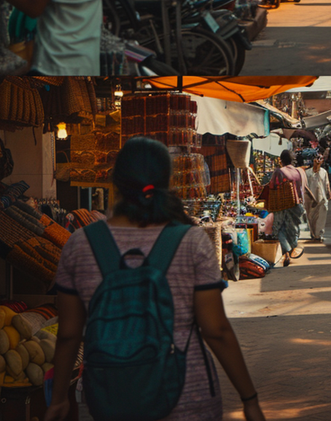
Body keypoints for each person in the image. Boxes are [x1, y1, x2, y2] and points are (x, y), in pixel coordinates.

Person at [45, 137, 265, 421]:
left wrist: (59, 397)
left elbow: (69, 334)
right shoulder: (191, 241)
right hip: (187, 393)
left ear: (115, 182)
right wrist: (249, 398)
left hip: (108, 395)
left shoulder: (80, 245)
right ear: (167, 182)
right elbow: (216, 330)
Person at [269, 150, 305, 267]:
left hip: (281, 204)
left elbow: (271, 186)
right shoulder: (298, 171)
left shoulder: (279, 172)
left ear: (281, 160)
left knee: (280, 229)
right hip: (296, 204)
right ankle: (292, 248)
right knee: (293, 227)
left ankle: (287, 251)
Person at [305, 154, 331, 241]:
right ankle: (313, 233)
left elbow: (327, 183)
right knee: (311, 217)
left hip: (322, 197)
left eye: (321, 159)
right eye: (317, 158)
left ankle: (319, 234)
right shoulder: (308, 172)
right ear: (313, 160)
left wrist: (329, 193)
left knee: (321, 216)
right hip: (310, 199)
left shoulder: (324, 172)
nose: (318, 160)